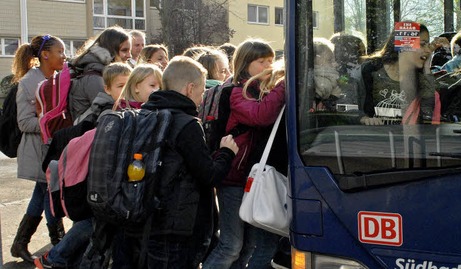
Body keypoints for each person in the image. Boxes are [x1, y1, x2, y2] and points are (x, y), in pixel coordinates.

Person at [113, 56, 238, 268]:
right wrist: (226, 152)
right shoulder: (186, 124)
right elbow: (208, 175)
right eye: (200, 93)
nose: (201, 100)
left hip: (137, 217)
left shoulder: (142, 114)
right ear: (190, 88)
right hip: (174, 229)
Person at [37, 63, 133, 269]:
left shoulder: (121, 110)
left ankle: (60, 257)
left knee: (97, 226)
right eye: (120, 86)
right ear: (107, 89)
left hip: (101, 180)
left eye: (129, 85)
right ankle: (56, 256)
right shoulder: (106, 114)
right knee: (94, 223)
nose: (125, 92)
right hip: (94, 180)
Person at [203, 38, 286, 269]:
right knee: (231, 244)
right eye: (262, 61)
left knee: (248, 247)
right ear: (245, 63)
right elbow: (261, 115)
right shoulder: (237, 92)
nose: (269, 66)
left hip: (248, 177)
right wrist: (284, 85)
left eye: (271, 60)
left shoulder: (258, 90)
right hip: (232, 177)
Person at [10, 34, 67, 263]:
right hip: (37, 150)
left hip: (53, 148)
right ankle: (59, 244)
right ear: (45, 55)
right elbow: (24, 122)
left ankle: (21, 243)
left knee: (43, 193)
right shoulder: (27, 83)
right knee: (49, 194)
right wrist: (52, 123)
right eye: (60, 52)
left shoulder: (60, 78)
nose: (65, 56)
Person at [353, 22, 446, 125]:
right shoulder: (371, 70)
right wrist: (363, 118)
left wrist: (427, 68)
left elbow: (428, 113)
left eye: (428, 45)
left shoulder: (420, 77)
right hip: (375, 136)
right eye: (422, 44)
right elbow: (352, 106)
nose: (428, 50)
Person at [69, 26, 132, 120]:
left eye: (129, 51)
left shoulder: (102, 72)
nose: (129, 55)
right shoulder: (95, 78)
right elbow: (105, 113)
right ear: (110, 50)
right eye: (124, 50)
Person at [312, 38, 341, 111]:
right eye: (329, 60)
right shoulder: (310, 86)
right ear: (315, 61)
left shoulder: (331, 85)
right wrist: (332, 98)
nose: (335, 64)